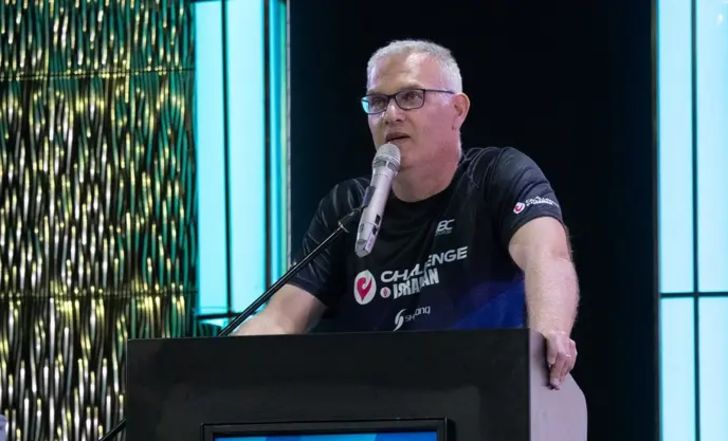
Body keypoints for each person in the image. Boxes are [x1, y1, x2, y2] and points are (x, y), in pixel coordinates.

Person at [235, 40, 579, 389]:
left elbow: (547, 256)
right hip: (383, 404)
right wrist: (216, 368)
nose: (391, 115)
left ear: (458, 109)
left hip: (488, 394)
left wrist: (549, 334)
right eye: (377, 102)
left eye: (411, 97)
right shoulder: (348, 207)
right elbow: (281, 319)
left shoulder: (497, 175)